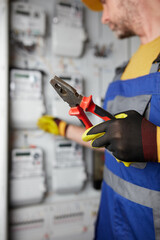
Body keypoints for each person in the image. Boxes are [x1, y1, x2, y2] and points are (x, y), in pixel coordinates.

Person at [37, 0, 160, 239]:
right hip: (111, 223)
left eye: (105, 3)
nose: (103, 18)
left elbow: (141, 140)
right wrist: (63, 128)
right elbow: (110, 138)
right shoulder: (123, 69)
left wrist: (155, 141)